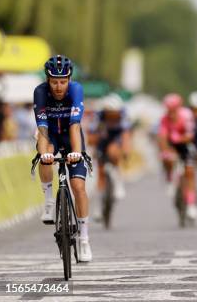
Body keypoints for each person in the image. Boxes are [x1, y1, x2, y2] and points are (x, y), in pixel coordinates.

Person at [33, 55, 93, 262]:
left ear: (69, 79)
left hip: (70, 135)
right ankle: (49, 201)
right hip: (50, 134)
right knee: (44, 154)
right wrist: (43, 154)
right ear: (47, 80)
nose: (58, 87)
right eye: (54, 81)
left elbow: (75, 125)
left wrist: (76, 152)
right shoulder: (40, 92)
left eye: (63, 81)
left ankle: (84, 239)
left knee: (78, 186)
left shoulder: (76, 90)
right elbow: (41, 129)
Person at [88, 93, 132, 219]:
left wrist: (126, 151)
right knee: (101, 172)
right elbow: (91, 136)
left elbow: (126, 135)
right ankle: (98, 207)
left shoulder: (123, 115)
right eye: (109, 113)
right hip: (103, 137)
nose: (112, 116)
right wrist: (94, 148)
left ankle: (118, 183)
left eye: (115, 113)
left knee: (114, 151)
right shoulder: (99, 116)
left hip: (116, 137)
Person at [158, 93, 197, 220]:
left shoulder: (186, 116)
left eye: (173, 109)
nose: (170, 112)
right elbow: (162, 138)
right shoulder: (164, 119)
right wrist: (166, 151)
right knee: (166, 158)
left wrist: (180, 138)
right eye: (168, 109)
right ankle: (170, 179)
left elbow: (190, 136)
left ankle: (191, 205)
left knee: (189, 172)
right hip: (172, 145)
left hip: (185, 144)